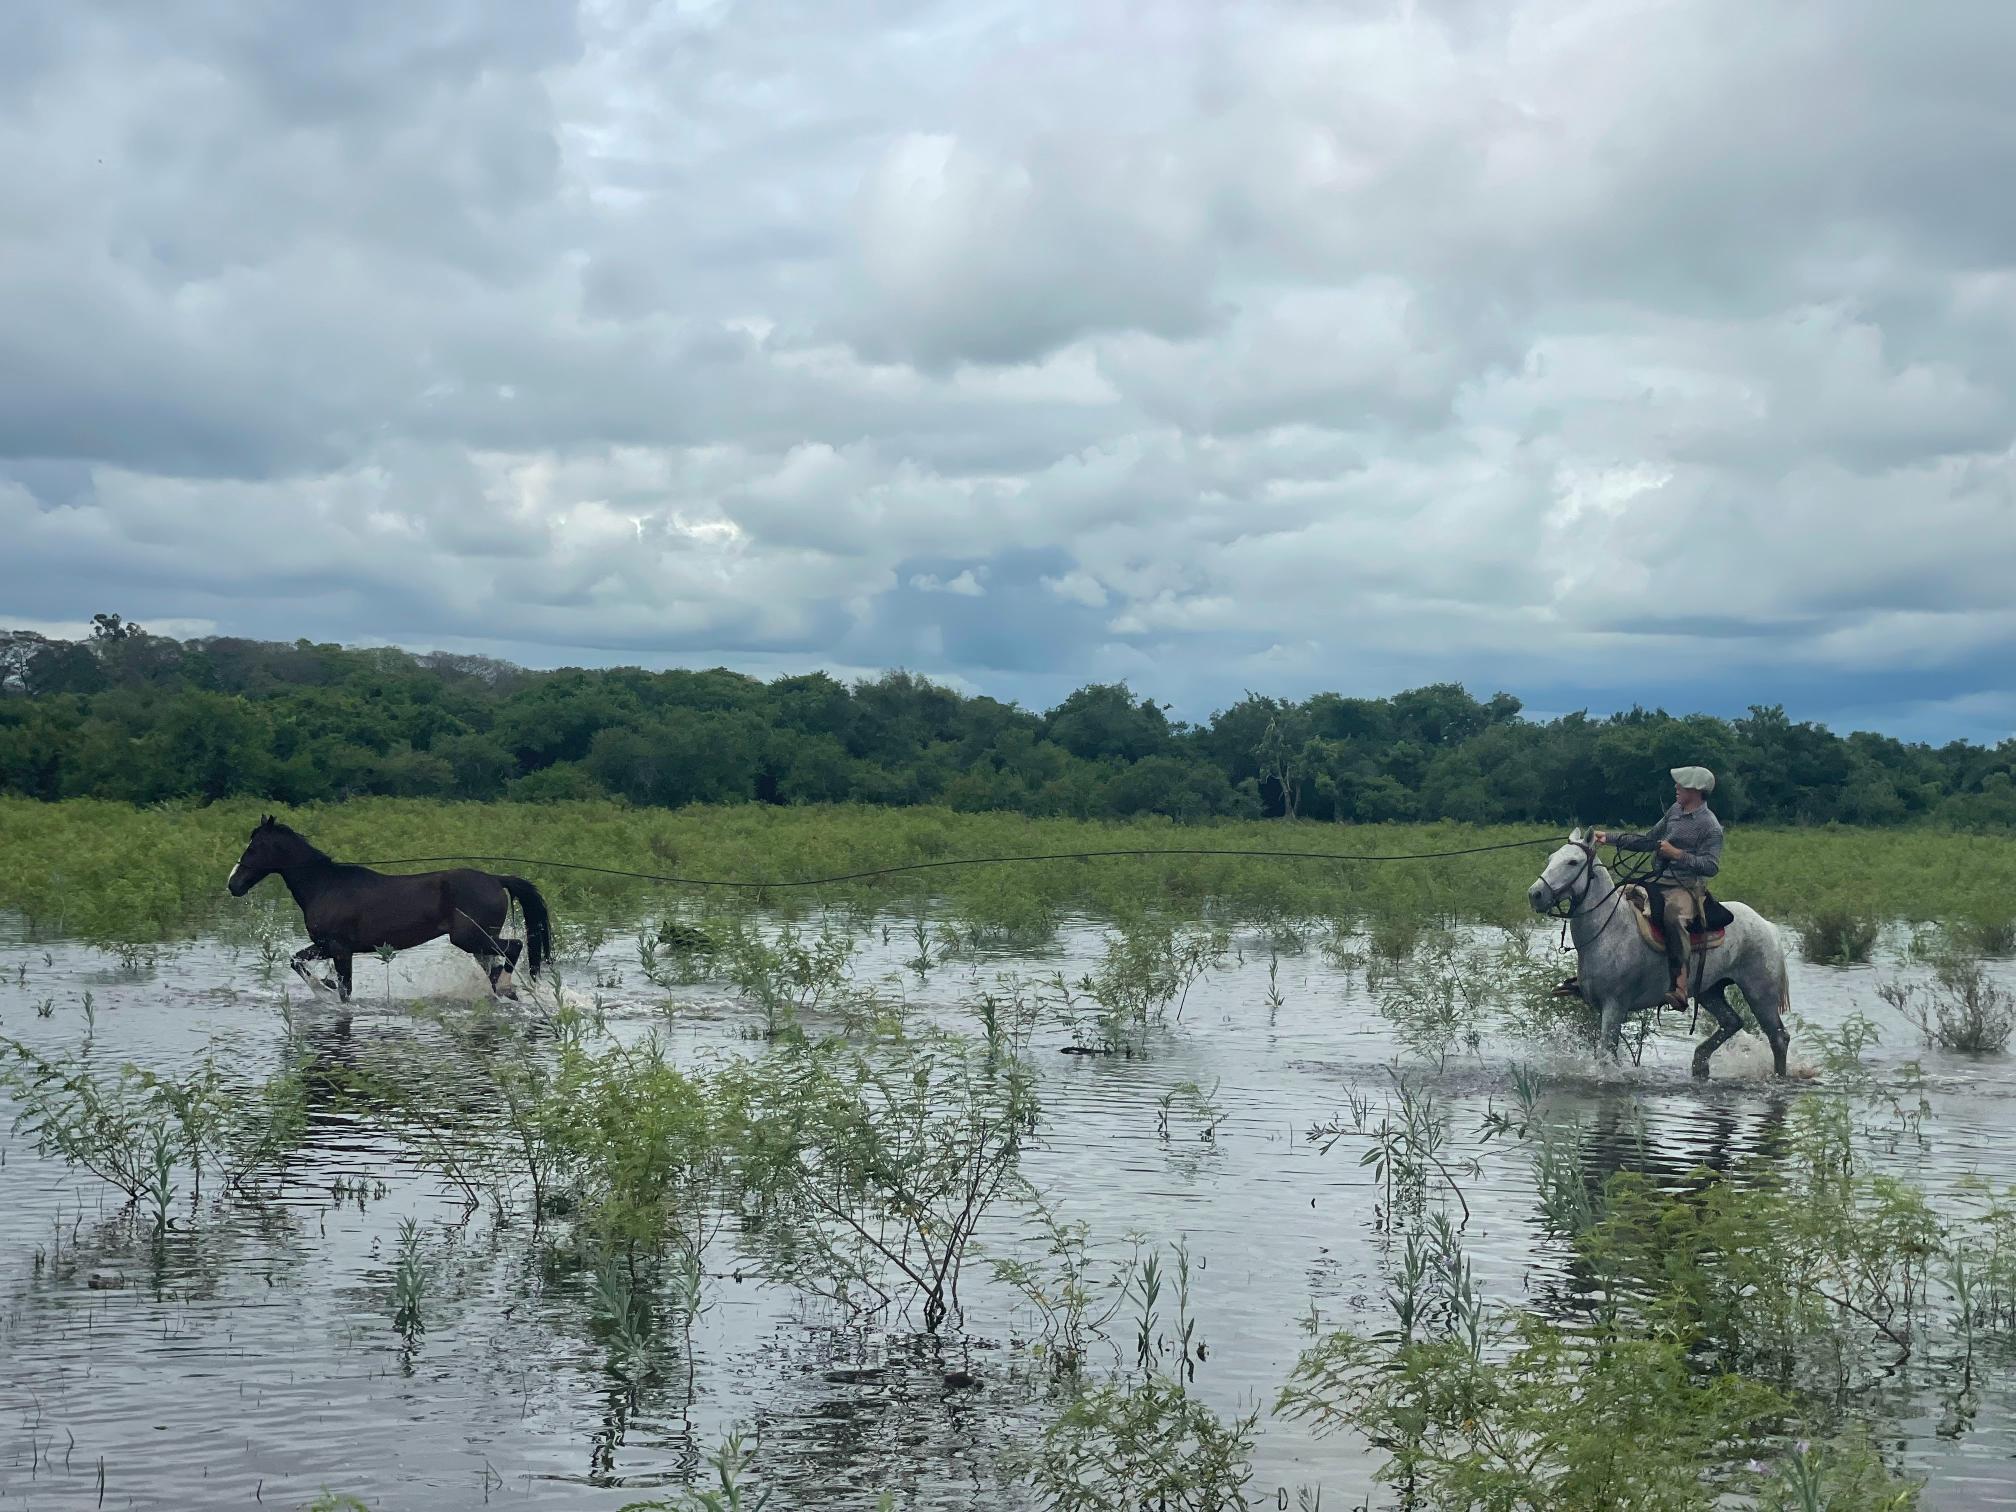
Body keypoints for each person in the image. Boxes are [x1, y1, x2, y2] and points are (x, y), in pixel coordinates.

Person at [1595, 766, 1724, 1011]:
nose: (1676, 788)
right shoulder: (1674, 811)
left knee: (1673, 917)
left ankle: (1680, 986)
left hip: (1685, 887)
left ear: (1695, 791)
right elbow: (1647, 840)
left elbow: (1711, 866)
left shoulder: (1710, 826)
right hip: (1657, 880)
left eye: (1681, 785)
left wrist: (1677, 854)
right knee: (1613, 901)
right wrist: (1609, 838)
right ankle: (1599, 974)